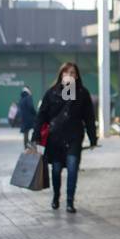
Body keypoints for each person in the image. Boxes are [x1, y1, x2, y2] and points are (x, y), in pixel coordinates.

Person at [32, 62, 98, 213]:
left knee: (73, 168)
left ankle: (70, 201)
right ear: (61, 75)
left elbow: (89, 117)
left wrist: (93, 138)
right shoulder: (52, 93)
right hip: (55, 138)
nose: (69, 76)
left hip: (74, 136)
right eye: (66, 73)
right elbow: (41, 116)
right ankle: (56, 196)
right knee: (56, 170)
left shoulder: (82, 93)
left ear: (77, 76)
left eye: (73, 73)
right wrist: (35, 136)